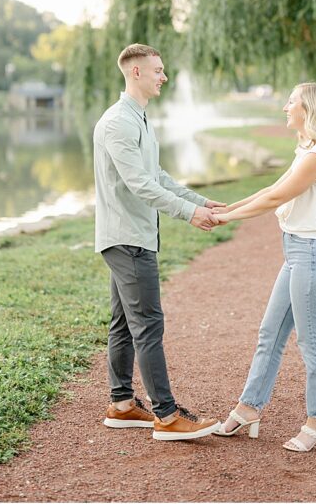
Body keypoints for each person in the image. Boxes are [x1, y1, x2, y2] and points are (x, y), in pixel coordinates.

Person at [94, 43, 224, 441]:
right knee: (148, 325)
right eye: (158, 70)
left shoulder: (139, 119)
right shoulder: (118, 122)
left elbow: (158, 176)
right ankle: (167, 417)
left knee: (123, 324)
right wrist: (188, 214)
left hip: (132, 236)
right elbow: (139, 185)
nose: (163, 77)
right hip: (128, 238)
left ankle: (122, 405)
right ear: (136, 72)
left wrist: (200, 201)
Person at [211, 82, 316, 453]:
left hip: (314, 256)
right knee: (269, 334)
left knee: (312, 344)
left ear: (310, 109)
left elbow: (276, 197)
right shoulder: (307, 149)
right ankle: (248, 408)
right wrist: (226, 208)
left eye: (292, 102)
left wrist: (228, 220)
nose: (285, 107)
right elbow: (272, 187)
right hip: (297, 255)